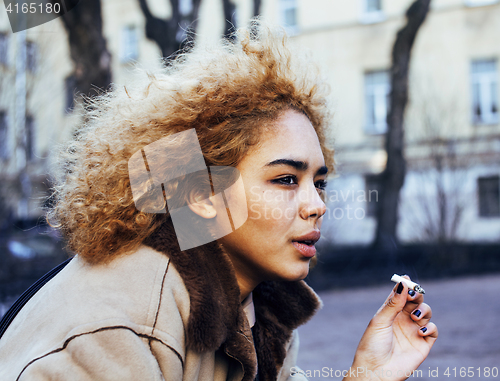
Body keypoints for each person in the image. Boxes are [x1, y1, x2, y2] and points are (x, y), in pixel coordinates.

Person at [0, 22, 437, 381]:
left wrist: (366, 378)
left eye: (318, 182)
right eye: (286, 179)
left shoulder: (260, 311)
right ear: (201, 195)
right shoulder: (120, 324)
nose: (317, 205)